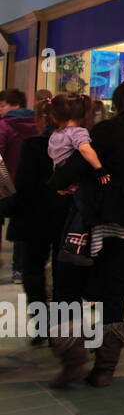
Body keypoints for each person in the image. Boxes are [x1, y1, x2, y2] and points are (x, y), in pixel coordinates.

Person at [48, 79, 124, 387]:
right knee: (112, 295)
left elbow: (76, 166)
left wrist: (56, 185)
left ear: (122, 103)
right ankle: (105, 367)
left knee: (66, 289)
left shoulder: (106, 132)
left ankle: (73, 359)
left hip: (91, 226)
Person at [7, 99, 67, 345]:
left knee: (33, 269)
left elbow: (23, 184)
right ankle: (62, 327)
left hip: (34, 217)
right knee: (64, 271)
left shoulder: (34, 145)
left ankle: (42, 324)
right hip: (66, 216)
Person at [47, 94, 110, 266]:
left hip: (63, 179)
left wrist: (61, 183)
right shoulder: (78, 132)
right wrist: (99, 168)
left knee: (72, 214)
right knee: (83, 213)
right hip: (78, 181)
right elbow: (85, 150)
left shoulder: (56, 135)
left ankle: (65, 247)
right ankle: (74, 249)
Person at [1, 89, 40, 283]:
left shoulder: (4, 126)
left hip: (6, 185)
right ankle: (20, 268)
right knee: (25, 227)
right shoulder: (37, 124)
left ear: (14, 105)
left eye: (3, 105)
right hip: (31, 184)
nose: (1, 109)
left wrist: (6, 186)